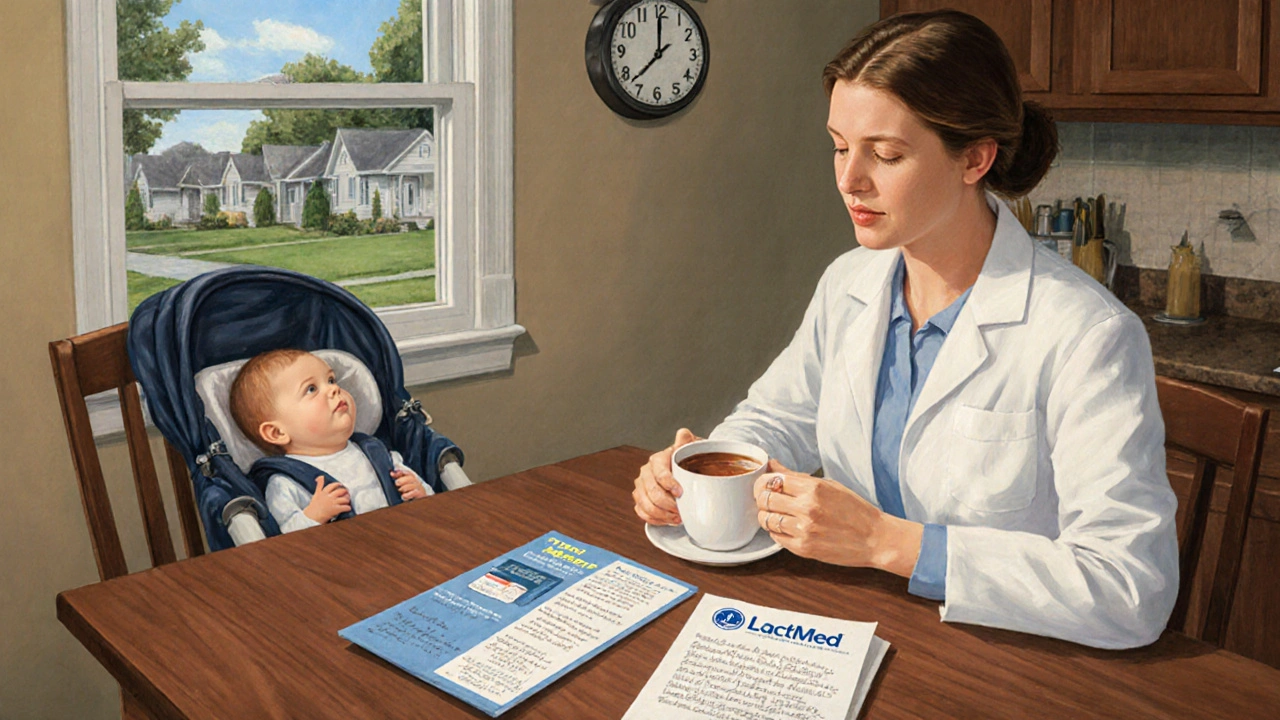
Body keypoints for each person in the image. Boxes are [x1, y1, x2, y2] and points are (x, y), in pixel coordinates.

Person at [633, 9, 1178, 650]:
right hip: (856, 627)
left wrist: (885, 542)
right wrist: (697, 474)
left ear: (974, 158)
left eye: (885, 154)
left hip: (1003, 654)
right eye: (840, 146)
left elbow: (1131, 587)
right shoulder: (850, 283)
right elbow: (778, 417)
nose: (848, 180)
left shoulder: (1088, 335)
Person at [230, 348, 432, 532]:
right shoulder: (285, 482)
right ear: (277, 433)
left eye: (331, 380)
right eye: (311, 389)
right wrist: (314, 516)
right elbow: (285, 542)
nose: (334, 389)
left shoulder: (380, 455)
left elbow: (432, 502)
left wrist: (420, 492)